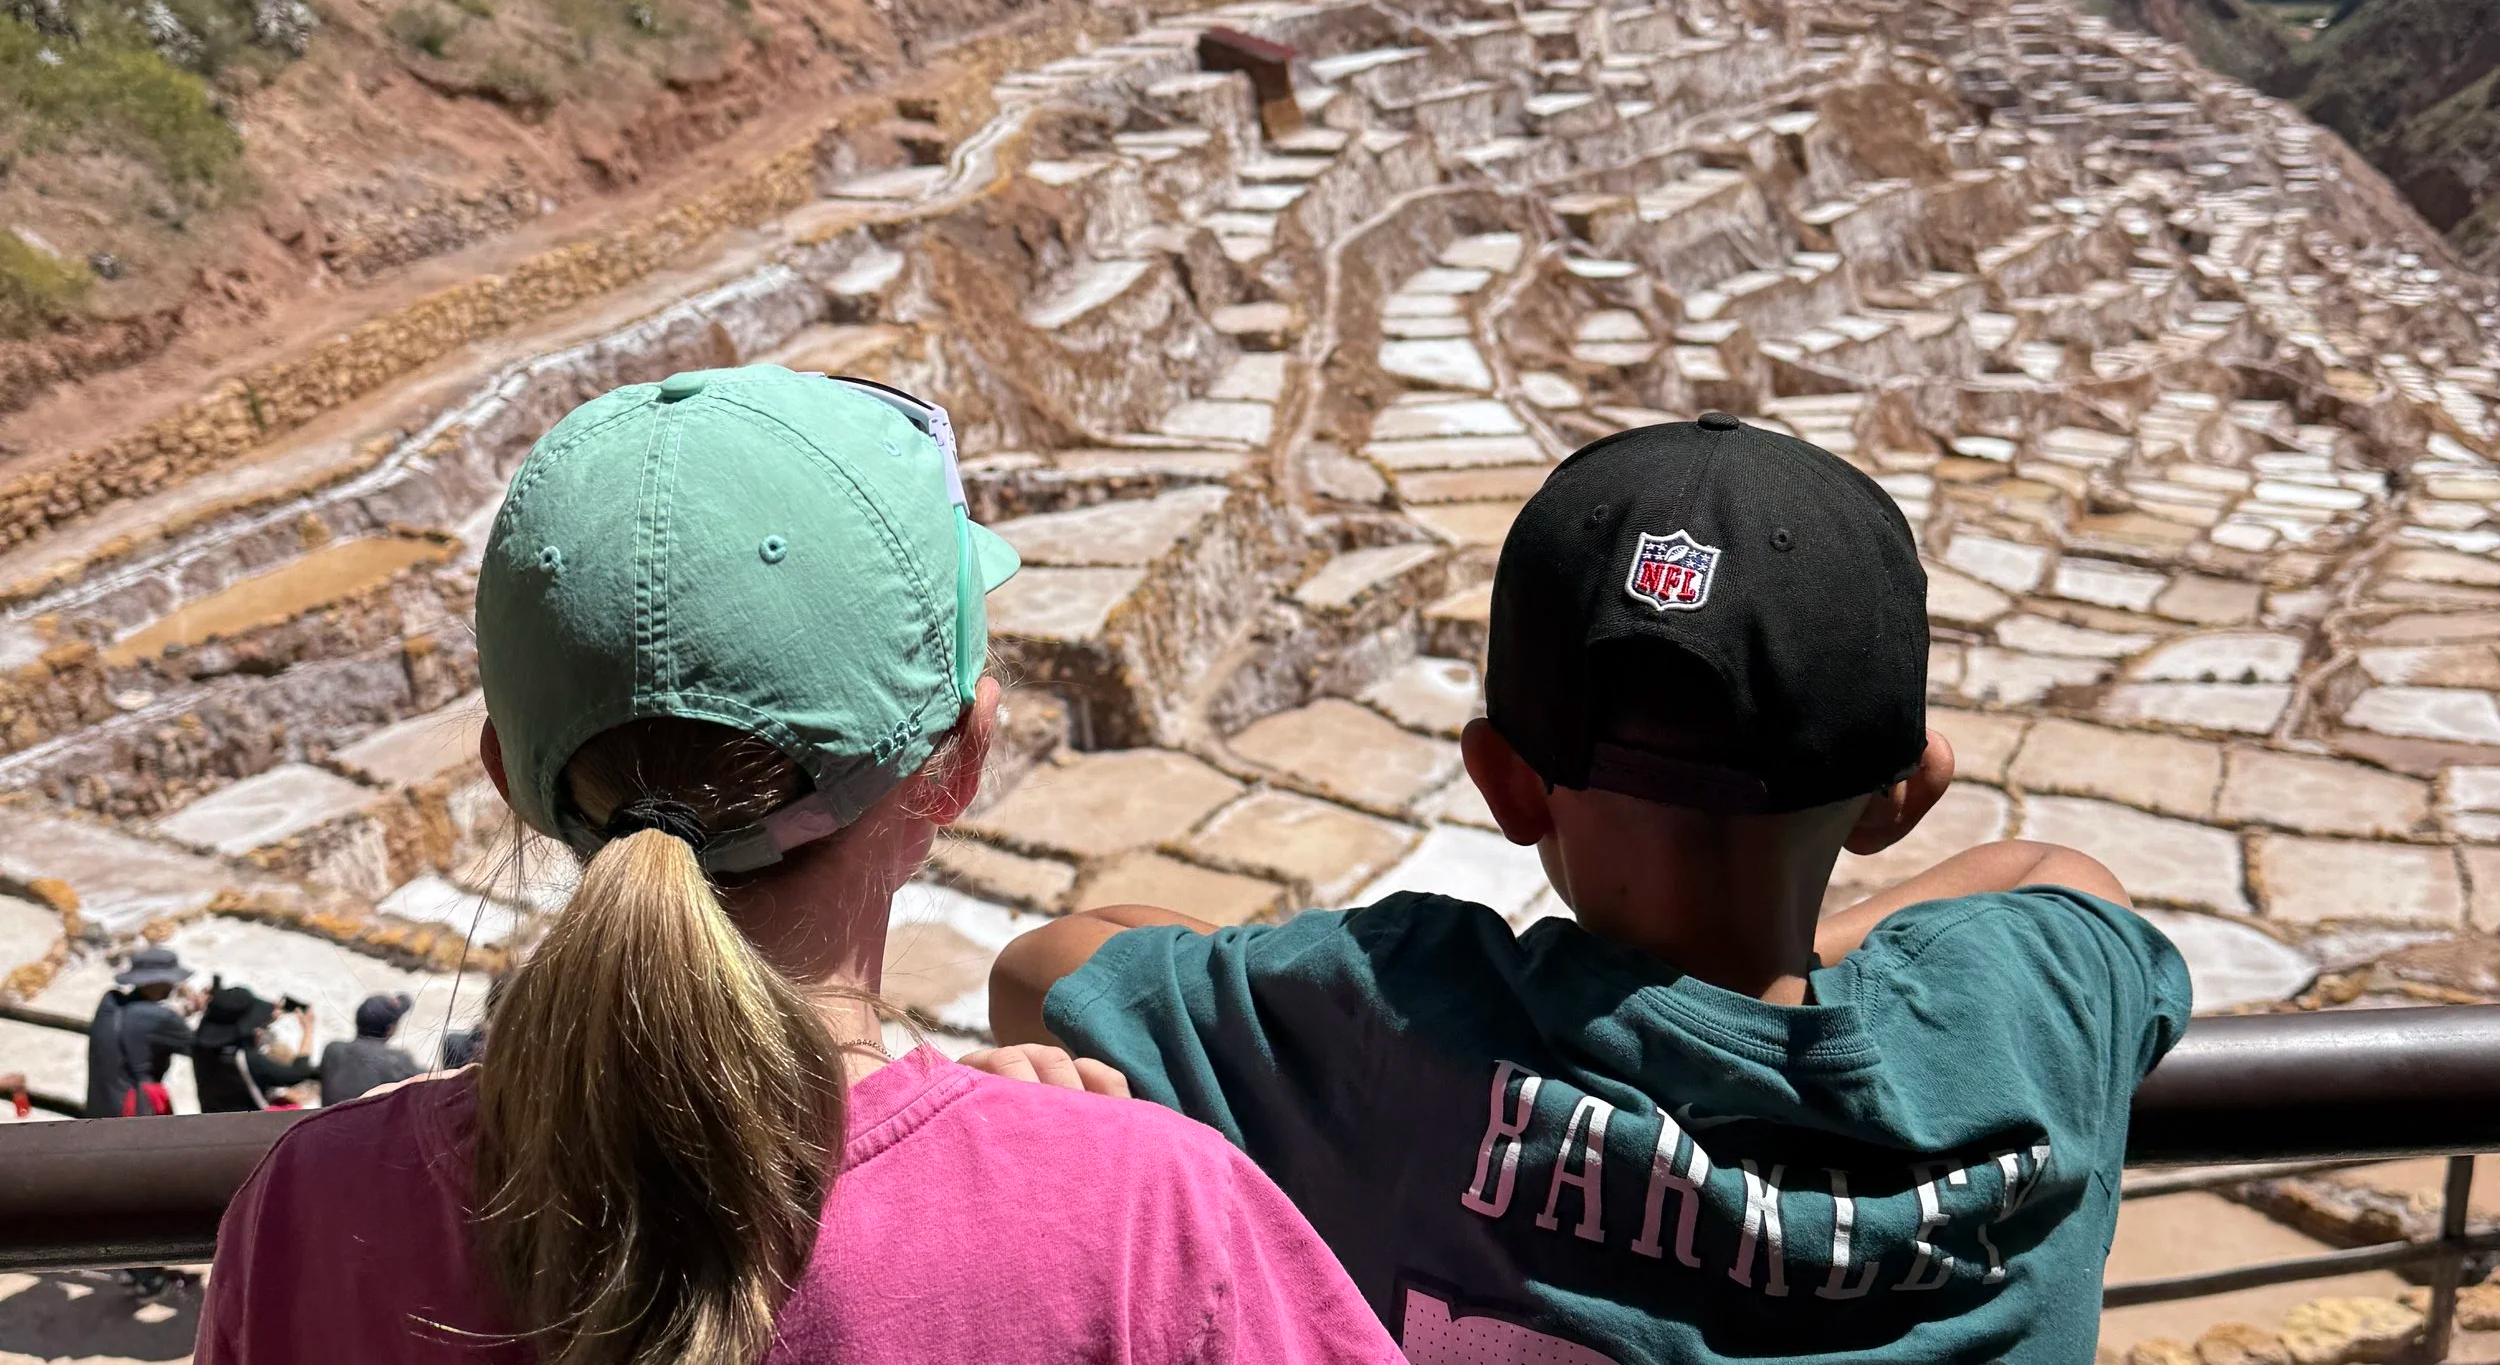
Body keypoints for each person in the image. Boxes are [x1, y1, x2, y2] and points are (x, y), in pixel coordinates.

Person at [196, 365, 1407, 1365]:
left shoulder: (313, 1214)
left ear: (508, 776)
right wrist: (1034, 1167)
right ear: (959, 760)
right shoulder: (1147, 1225)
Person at [995, 413, 2192, 1364]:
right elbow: (2056, 871)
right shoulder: (2038, 1001)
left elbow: (1041, 968)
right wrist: (1790, 972)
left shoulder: (1397, 1020)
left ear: (1505, 786)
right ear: (1903, 796)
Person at [84, 944, 198, 1118]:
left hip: (102, 1108)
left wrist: (186, 1010)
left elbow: (144, 1021)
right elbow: (200, 1045)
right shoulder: (161, 1018)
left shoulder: (110, 1003)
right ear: (156, 981)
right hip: (135, 1112)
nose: (174, 984)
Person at [193, 984, 319, 1113]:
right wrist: (308, 1029)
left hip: (211, 1119)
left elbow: (224, 1025)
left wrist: (264, 1018)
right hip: (247, 1126)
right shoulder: (247, 1061)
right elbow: (298, 1073)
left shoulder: (199, 1046)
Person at [317, 994, 417, 1104]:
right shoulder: (398, 1060)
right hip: (369, 1121)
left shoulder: (332, 1050)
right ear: (390, 1029)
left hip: (329, 1120)